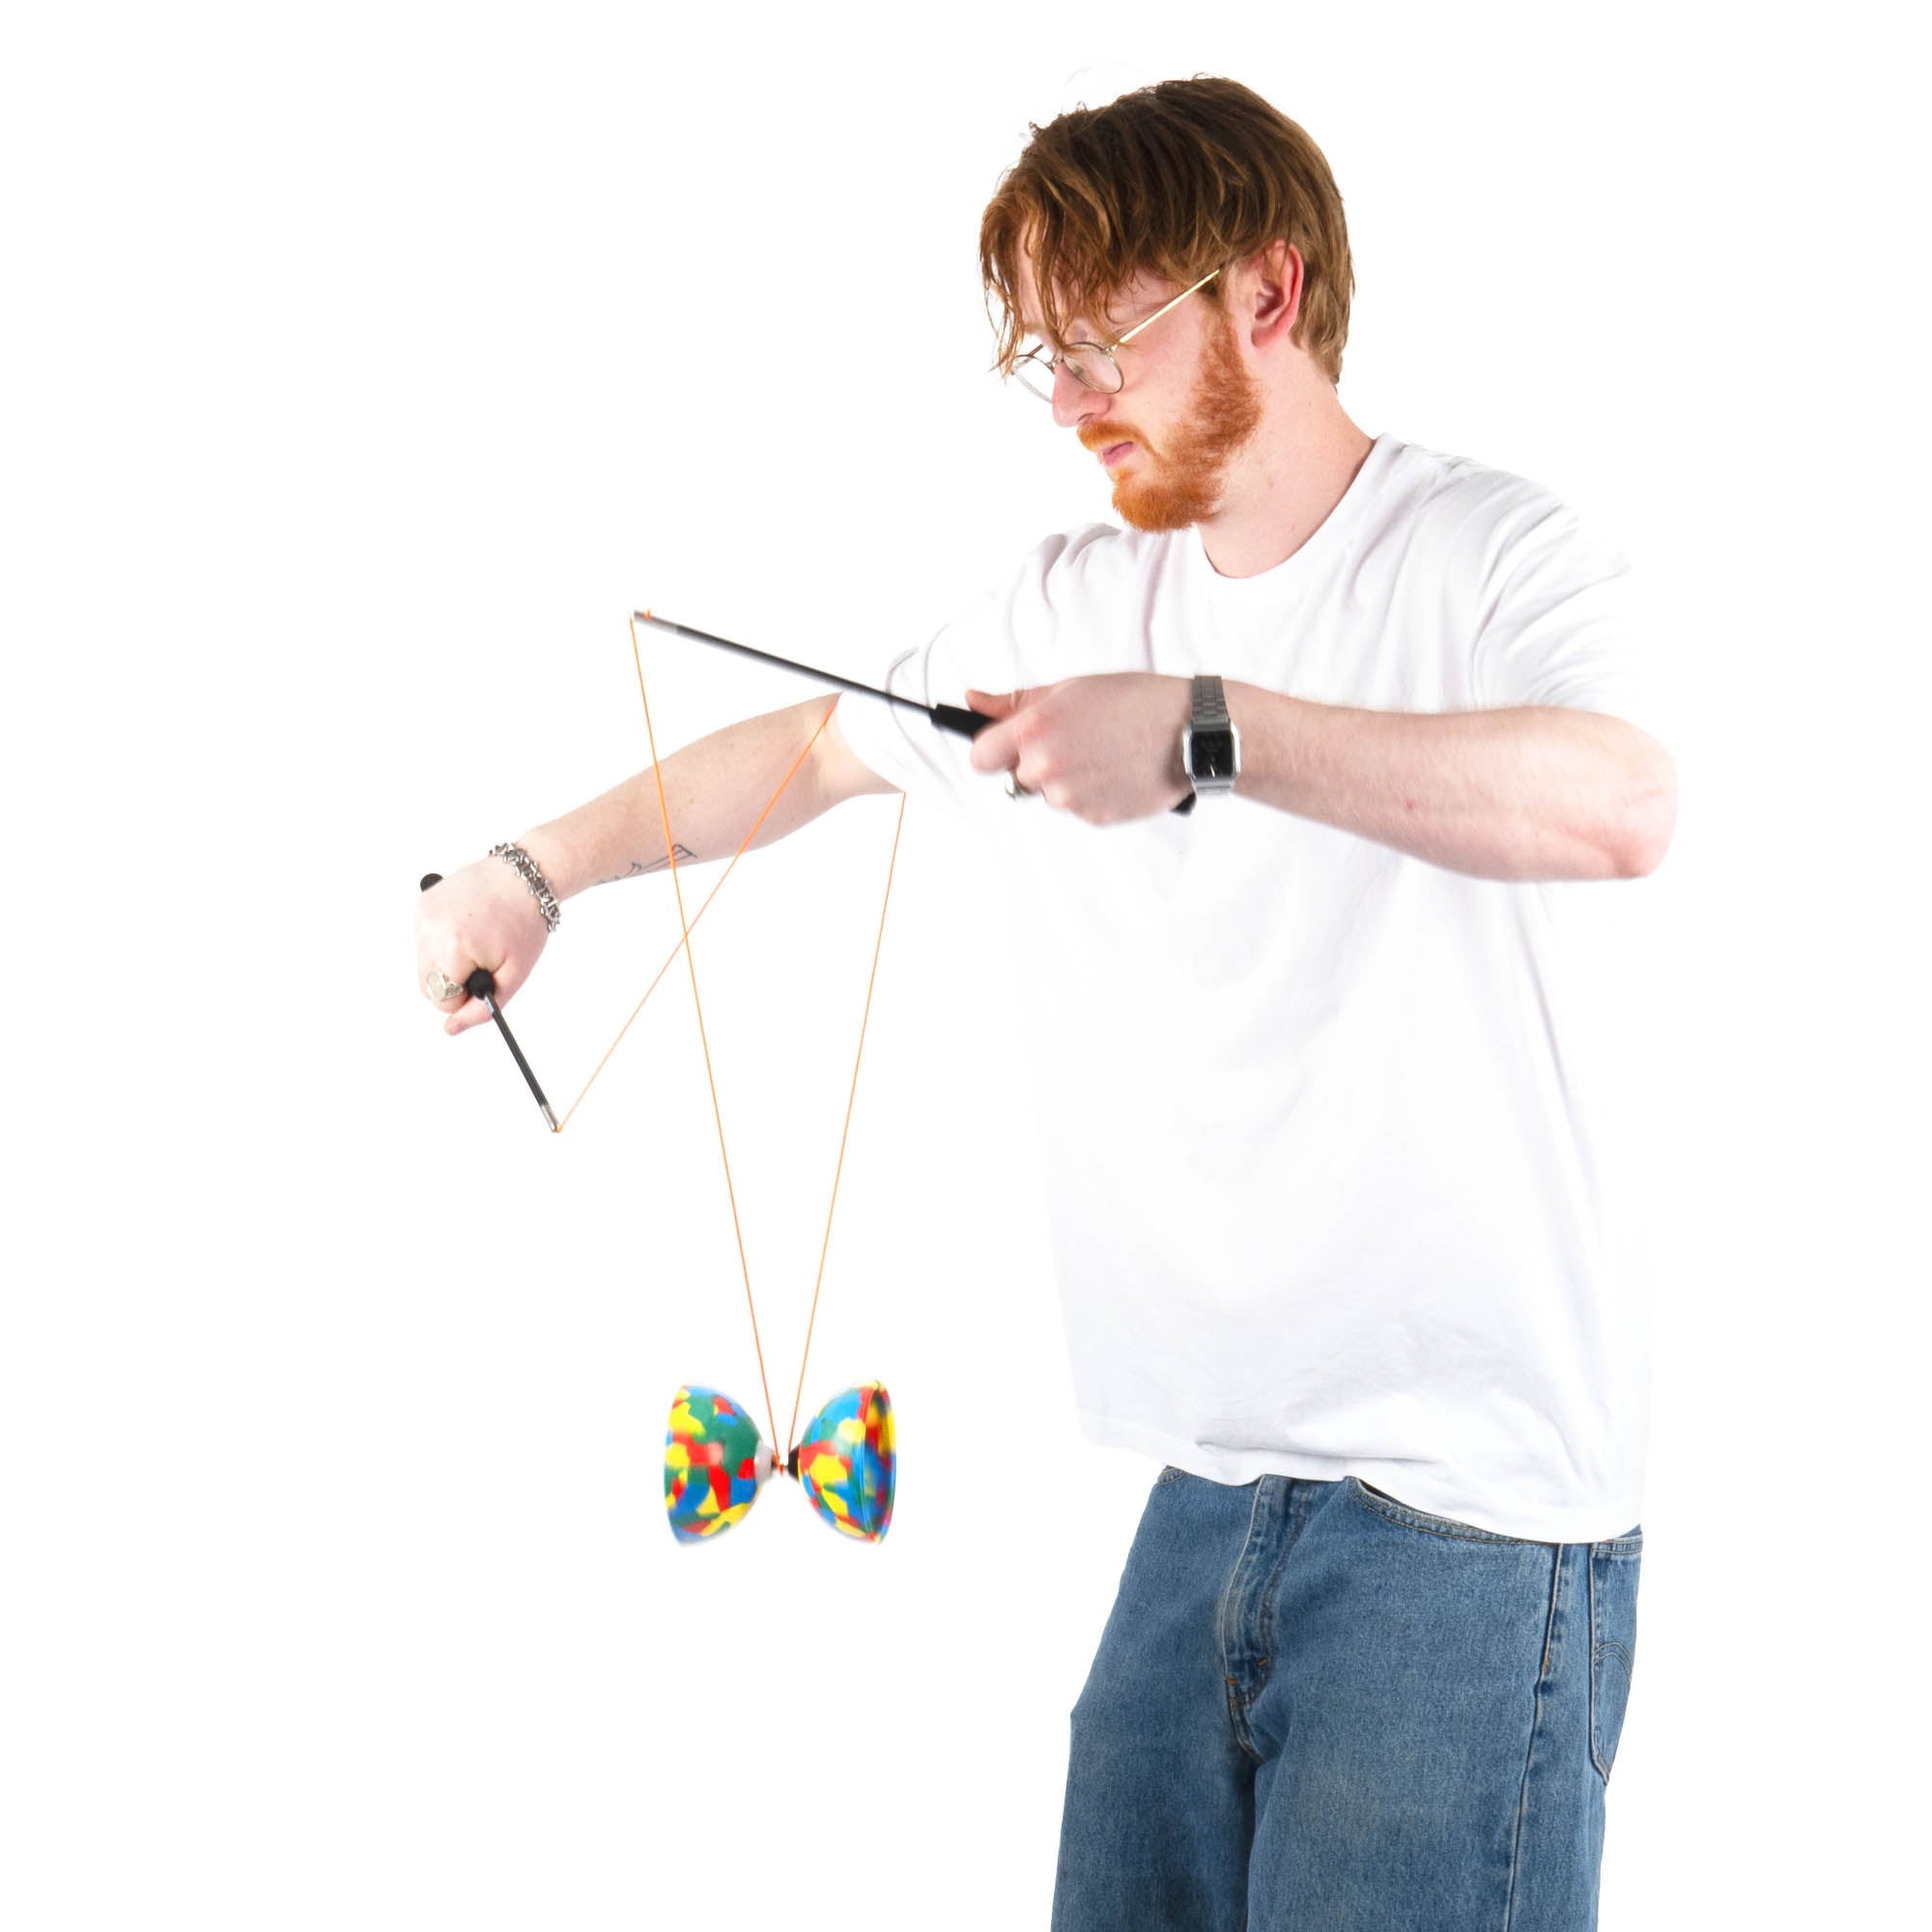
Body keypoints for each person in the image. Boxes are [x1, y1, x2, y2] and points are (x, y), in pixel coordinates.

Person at [415, 76, 1675, 1932]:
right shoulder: (1077, 602)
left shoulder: (1493, 554)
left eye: (1103, 343)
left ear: (1267, 291)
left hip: (1472, 1527)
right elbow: (817, 749)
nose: (1071, 403)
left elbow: (1619, 803)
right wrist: (533, 872)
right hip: (1206, 1498)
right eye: (1043, 358)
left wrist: (1209, 733)